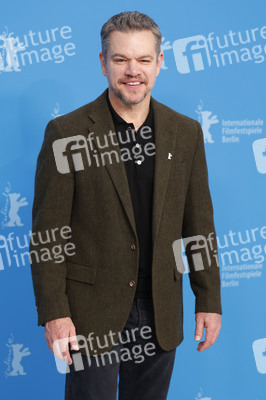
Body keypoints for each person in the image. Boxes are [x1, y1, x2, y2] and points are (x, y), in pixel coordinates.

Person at [30, 11, 222, 400]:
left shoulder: (185, 133)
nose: (132, 71)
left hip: (161, 310)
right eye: (120, 60)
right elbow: (48, 234)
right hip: (90, 313)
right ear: (103, 64)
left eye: (143, 60)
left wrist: (208, 299)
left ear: (160, 63)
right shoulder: (67, 133)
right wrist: (54, 312)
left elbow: (199, 225)